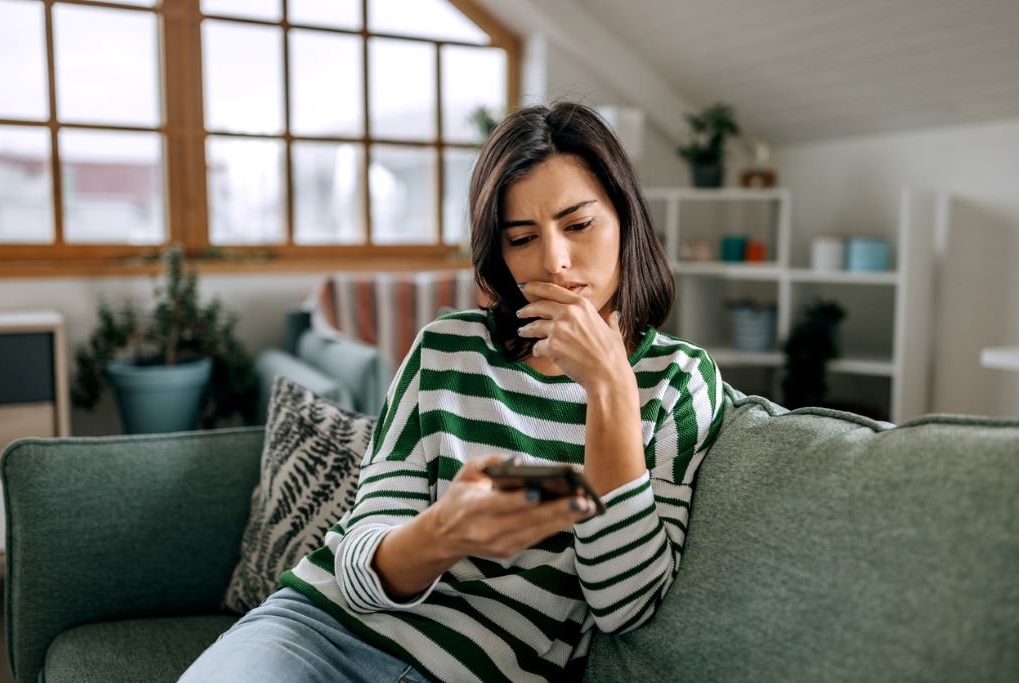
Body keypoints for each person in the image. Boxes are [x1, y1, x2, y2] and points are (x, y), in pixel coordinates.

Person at [181, 101, 724, 683]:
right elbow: (359, 570)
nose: (555, 261)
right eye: (522, 238)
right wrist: (445, 532)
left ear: (626, 218)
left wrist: (611, 386)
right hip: (316, 632)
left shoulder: (677, 381)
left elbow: (625, 608)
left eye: (579, 224)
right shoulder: (446, 348)